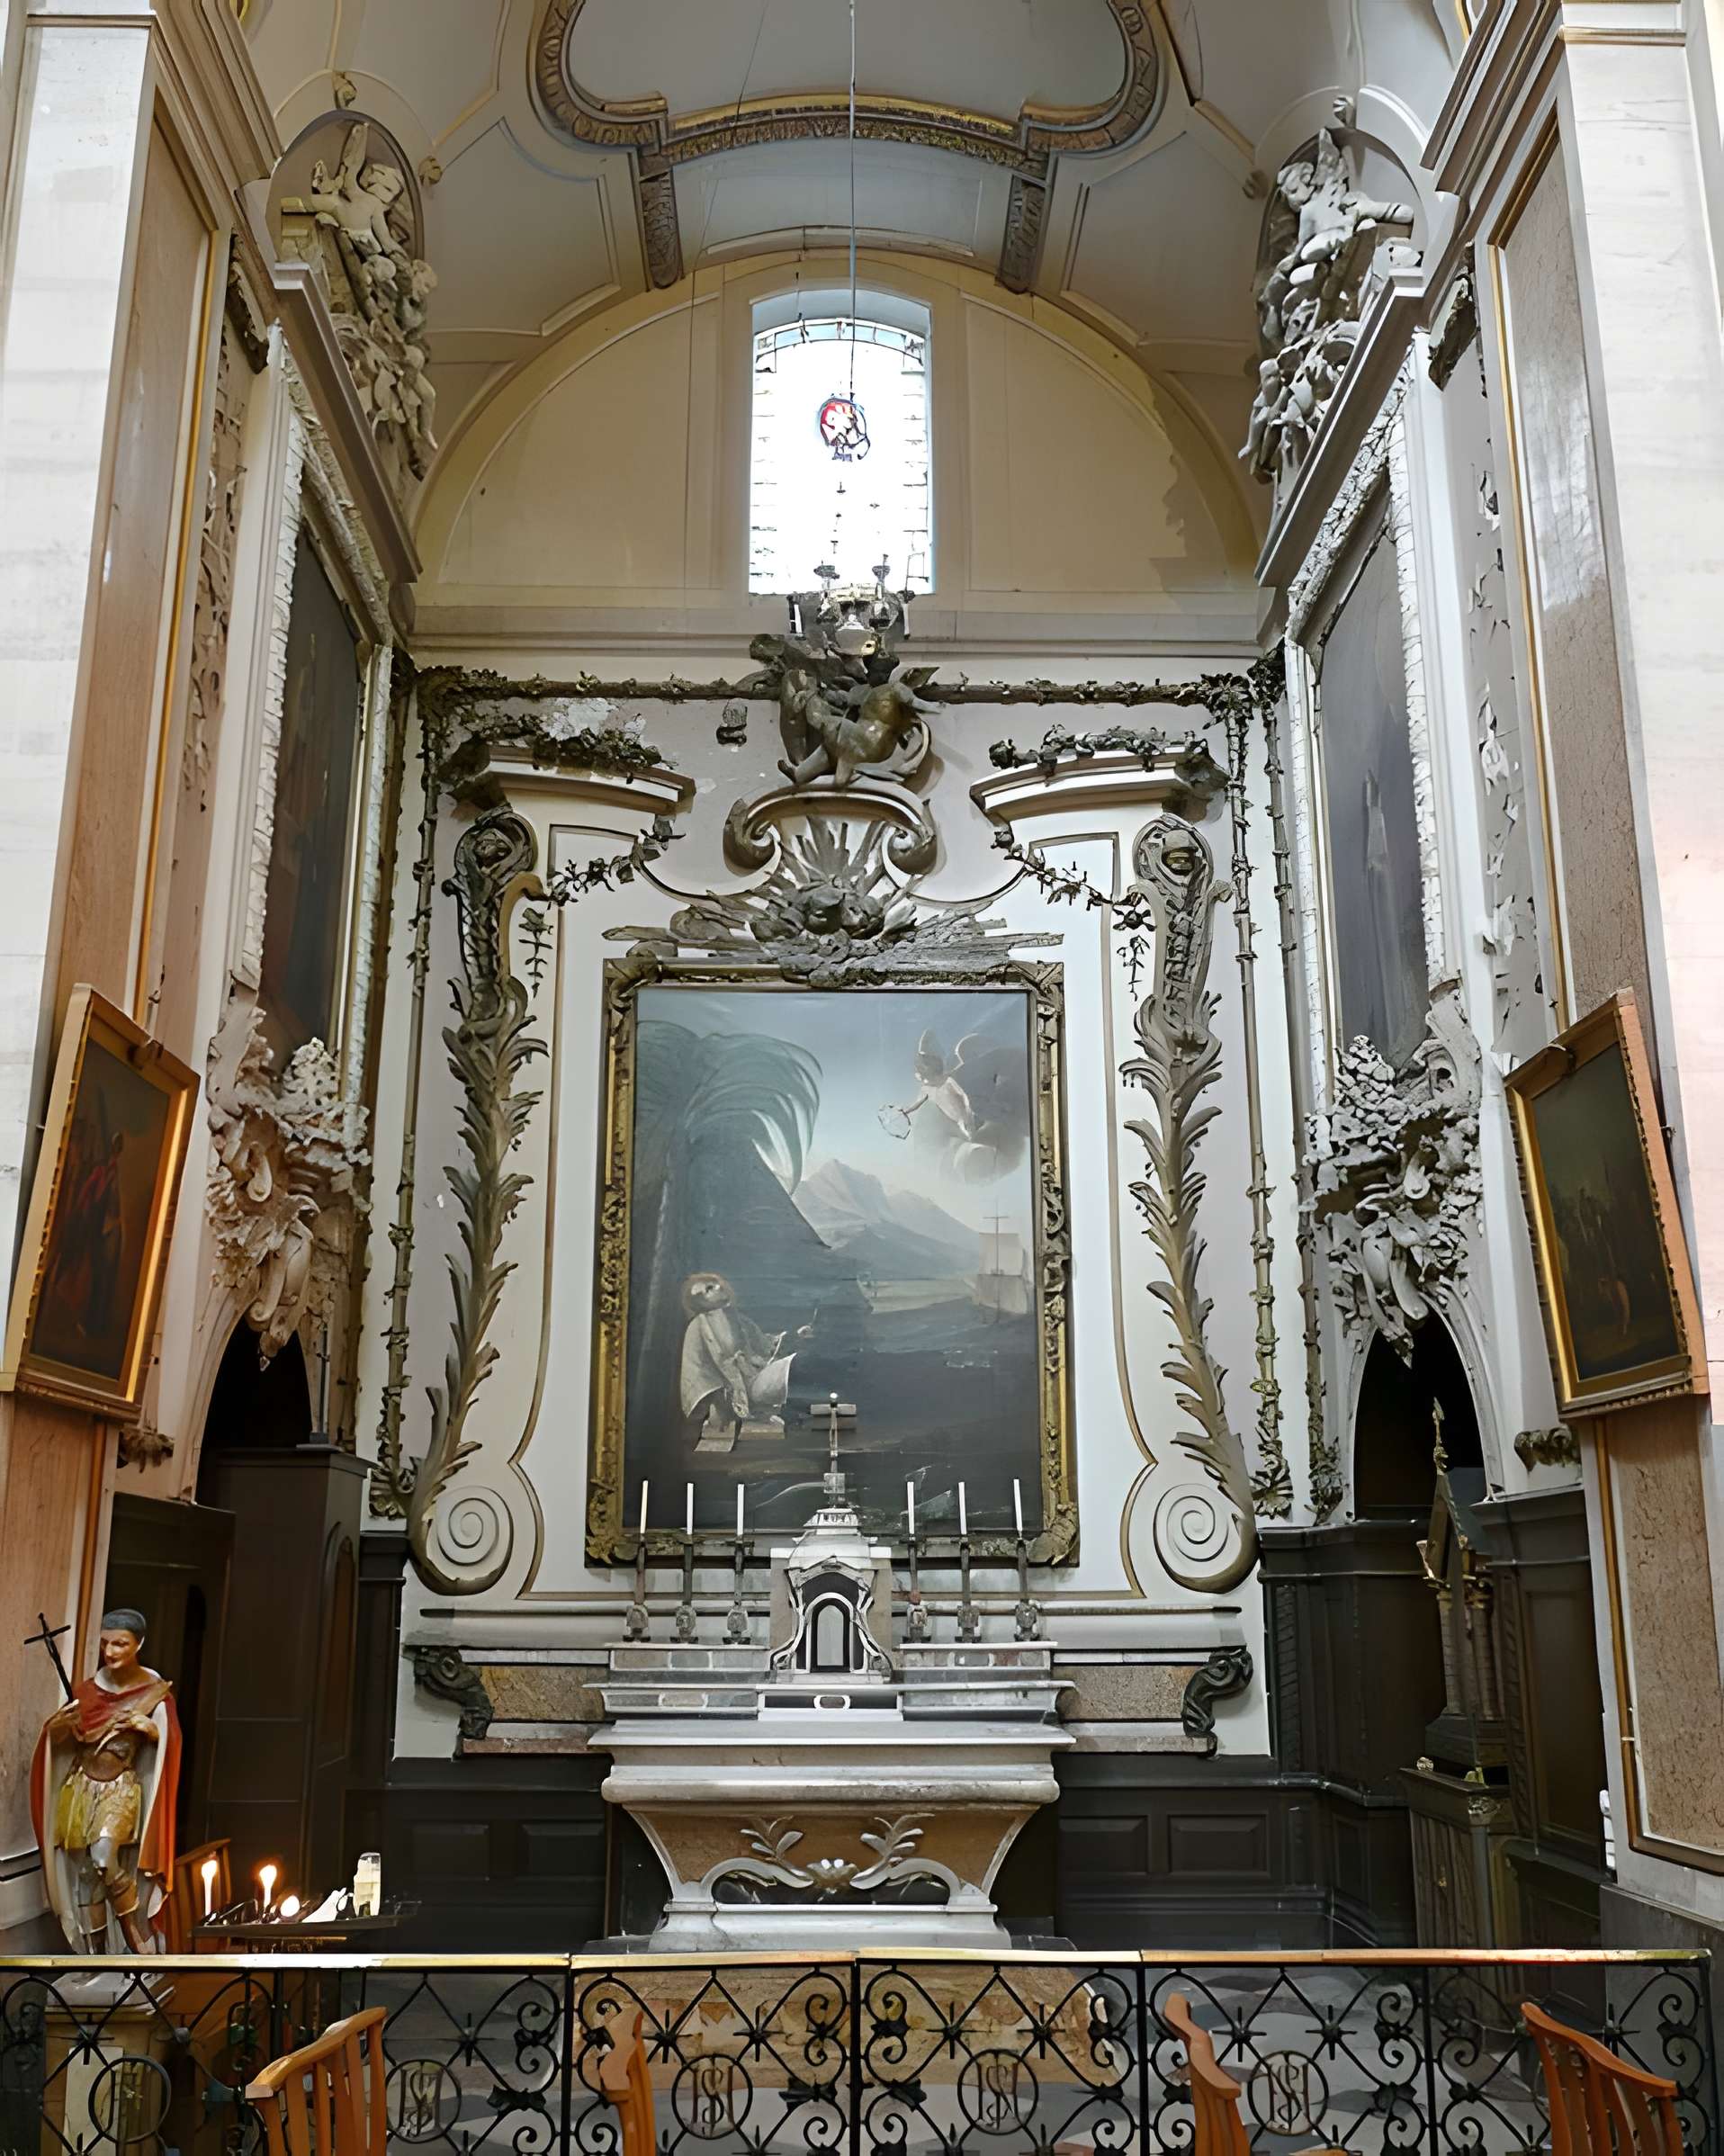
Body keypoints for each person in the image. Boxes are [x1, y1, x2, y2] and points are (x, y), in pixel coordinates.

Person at [31, 1608, 181, 1953]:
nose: (110, 1652)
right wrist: (57, 1730)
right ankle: (97, 1958)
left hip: (120, 1788)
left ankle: (133, 1935)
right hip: (82, 1788)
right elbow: (62, 1740)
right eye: (105, 1644)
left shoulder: (153, 1692)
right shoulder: (87, 1690)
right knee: (85, 1875)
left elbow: (169, 1746)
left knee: (103, 1855)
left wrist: (152, 1731)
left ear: (138, 1644)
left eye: (120, 1644)